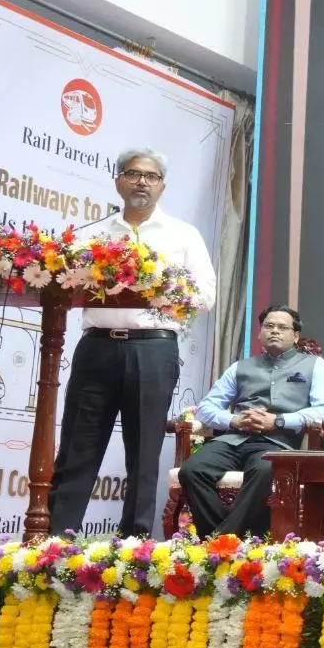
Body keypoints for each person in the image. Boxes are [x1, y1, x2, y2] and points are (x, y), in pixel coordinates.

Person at [49, 147, 217, 537]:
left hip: (152, 349)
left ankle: (135, 545)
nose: (142, 182)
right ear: (118, 181)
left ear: (162, 186)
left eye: (151, 176)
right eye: (133, 173)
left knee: (143, 452)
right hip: (97, 348)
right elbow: (63, 281)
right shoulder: (92, 234)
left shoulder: (183, 235)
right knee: (77, 446)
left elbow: (205, 295)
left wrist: (157, 287)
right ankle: (56, 541)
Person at [179, 305, 324, 536]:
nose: (275, 331)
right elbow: (206, 408)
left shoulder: (314, 365)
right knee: (192, 470)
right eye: (269, 326)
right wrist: (235, 420)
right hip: (234, 439)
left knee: (264, 470)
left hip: (277, 444)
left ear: (295, 336)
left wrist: (278, 421)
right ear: (259, 333)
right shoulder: (240, 367)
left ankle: (220, 541)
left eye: (282, 327)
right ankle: (228, 541)